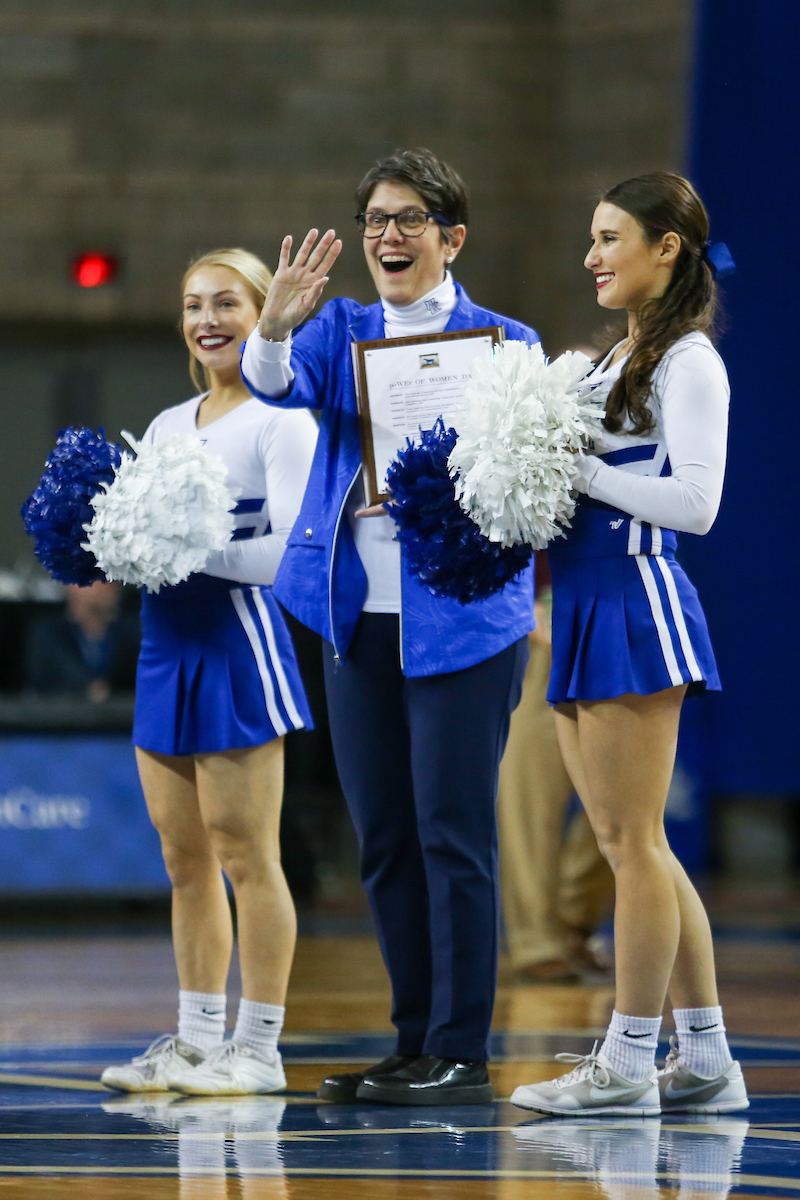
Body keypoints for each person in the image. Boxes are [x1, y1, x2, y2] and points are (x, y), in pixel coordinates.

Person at [241, 148, 538, 1105]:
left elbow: (533, 480)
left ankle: (462, 1049)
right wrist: (275, 327)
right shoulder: (339, 330)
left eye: (410, 219)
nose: (388, 236)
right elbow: (276, 386)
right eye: (375, 219)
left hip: (463, 624)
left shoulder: (508, 343)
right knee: (383, 837)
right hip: (354, 620)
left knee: (454, 834)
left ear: (451, 237)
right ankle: (414, 1043)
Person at [511, 171, 748, 1116]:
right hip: (580, 605)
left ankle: (627, 1061)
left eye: (612, 238)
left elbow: (698, 504)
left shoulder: (691, 361)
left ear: (668, 249)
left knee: (633, 843)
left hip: (637, 602)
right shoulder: (612, 362)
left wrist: (583, 476)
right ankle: (708, 1059)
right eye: (592, 238)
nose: (593, 256)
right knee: (630, 845)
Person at [101, 248, 318, 1097]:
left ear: (263, 310)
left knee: (245, 854)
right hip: (166, 646)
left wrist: (200, 550)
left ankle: (257, 1047)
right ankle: (195, 1041)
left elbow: (294, 555)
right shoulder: (164, 424)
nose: (207, 320)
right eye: (194, 304)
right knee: (183, 856)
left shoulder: (282, 419)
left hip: (238, 644)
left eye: (227, 302)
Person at [497, 557, 614, 983]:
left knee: (626, 795)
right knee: (530, 791)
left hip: (615, 599)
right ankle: (536, 941)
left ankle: (572, 916)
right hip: (533, 612)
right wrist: (520, 596)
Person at [24, 579, 139, 701]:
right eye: (101, 581)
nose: (110, 587)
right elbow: (44, 678)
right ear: (74, 586)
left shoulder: (130, 632)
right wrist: (87, 688)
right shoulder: (48, 633)